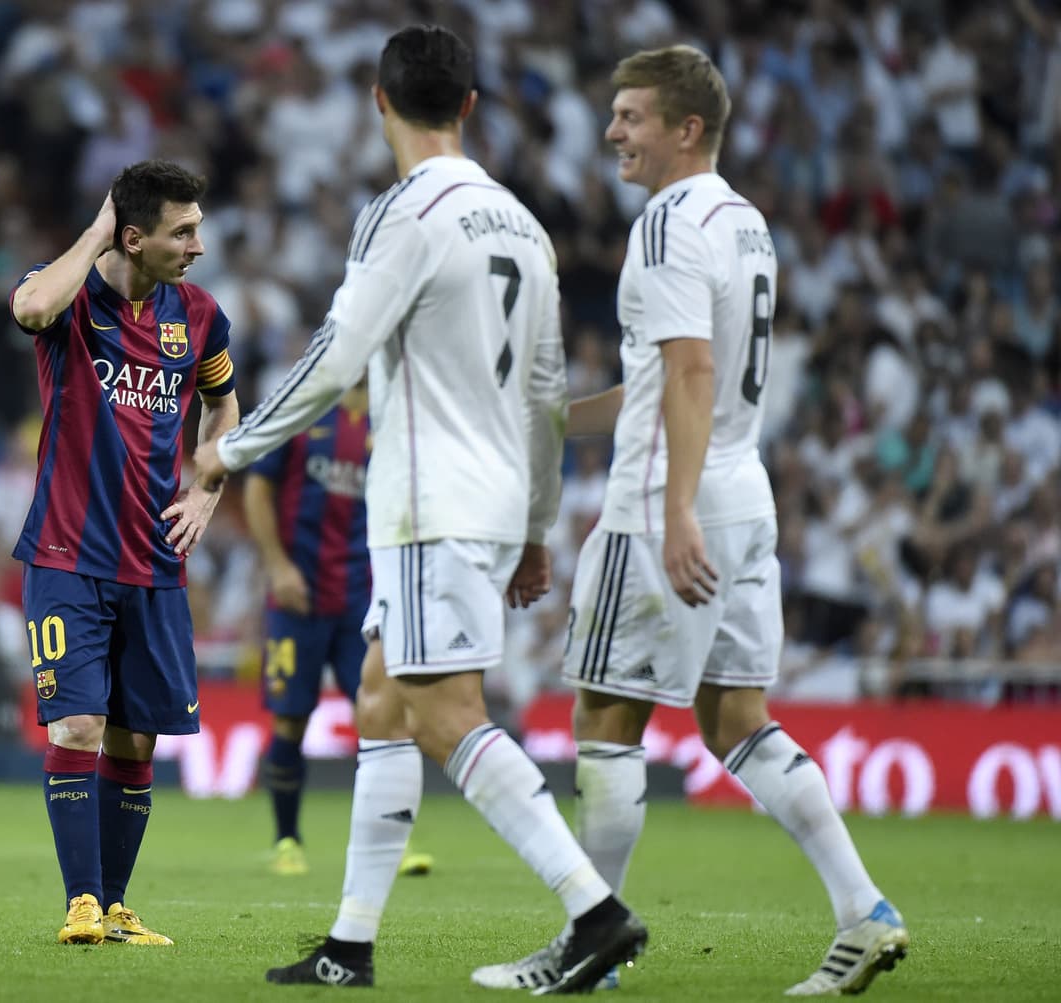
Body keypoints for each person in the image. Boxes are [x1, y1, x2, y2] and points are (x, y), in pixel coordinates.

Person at [196, 24, 645, 994]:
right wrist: (533, 523)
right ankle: (349, 947)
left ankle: (593, 911)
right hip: (490, 503)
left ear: (377, 102)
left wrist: (228, 449)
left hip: (426, 503)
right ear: (471, 108)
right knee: (379, 701)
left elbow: (333, 358)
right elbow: (544, 390)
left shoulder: (400, 213)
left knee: (444, 715)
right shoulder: (521, 224)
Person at [470, 46, 909, 997]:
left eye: (631, 116)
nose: (613, 131)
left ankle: (593, 942)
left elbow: (694, 374)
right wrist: (556, 417)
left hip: (671, 498)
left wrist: (670, 512)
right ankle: (864, 909)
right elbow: (670, 373)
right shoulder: (746, 224)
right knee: (736, 718)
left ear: (687, 129)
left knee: (605, 717)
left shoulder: (668, 223)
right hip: (743, 491)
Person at [9, 159, 240, 946]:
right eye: (184, 231)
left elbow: (224, 405)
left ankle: (111, 906)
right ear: (134, 237)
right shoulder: (70, 299)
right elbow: (32, 304)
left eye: (198, 228)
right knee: (76, 725)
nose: (198, 245)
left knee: (134, 739)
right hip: (67, 551)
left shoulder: (201, 315)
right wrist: (98, 230)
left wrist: (209, 483)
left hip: (154, 560)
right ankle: (79, 903)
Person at [246, 376, 434, 878]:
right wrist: (278, 566)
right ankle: (287, 840)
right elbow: (258, 489)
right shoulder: (302, 408)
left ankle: (393, 839)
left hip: (362, 599)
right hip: (297, 597)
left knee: (384, 716)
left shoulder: (393, 418)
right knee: (290, 720)